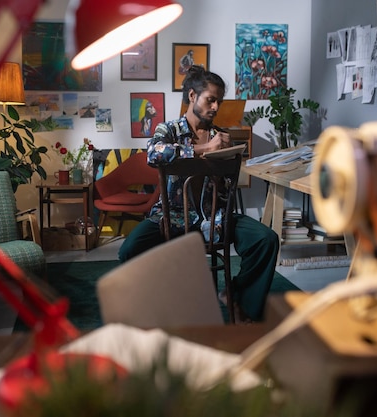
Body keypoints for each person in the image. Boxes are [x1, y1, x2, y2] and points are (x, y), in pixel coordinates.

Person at [118, 66, 280, 323]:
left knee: (266, 239)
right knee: (129, 249)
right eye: (210, 100)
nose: (216, 107)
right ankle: (151, 305)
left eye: (219, 101)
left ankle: (237, 297)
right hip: (172, 217)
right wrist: (203, 149)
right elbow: (154, 154)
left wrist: (227, 158)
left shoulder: (221, 136)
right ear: (192, 96)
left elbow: (228, 184)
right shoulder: (168, 129)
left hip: (214, 218)